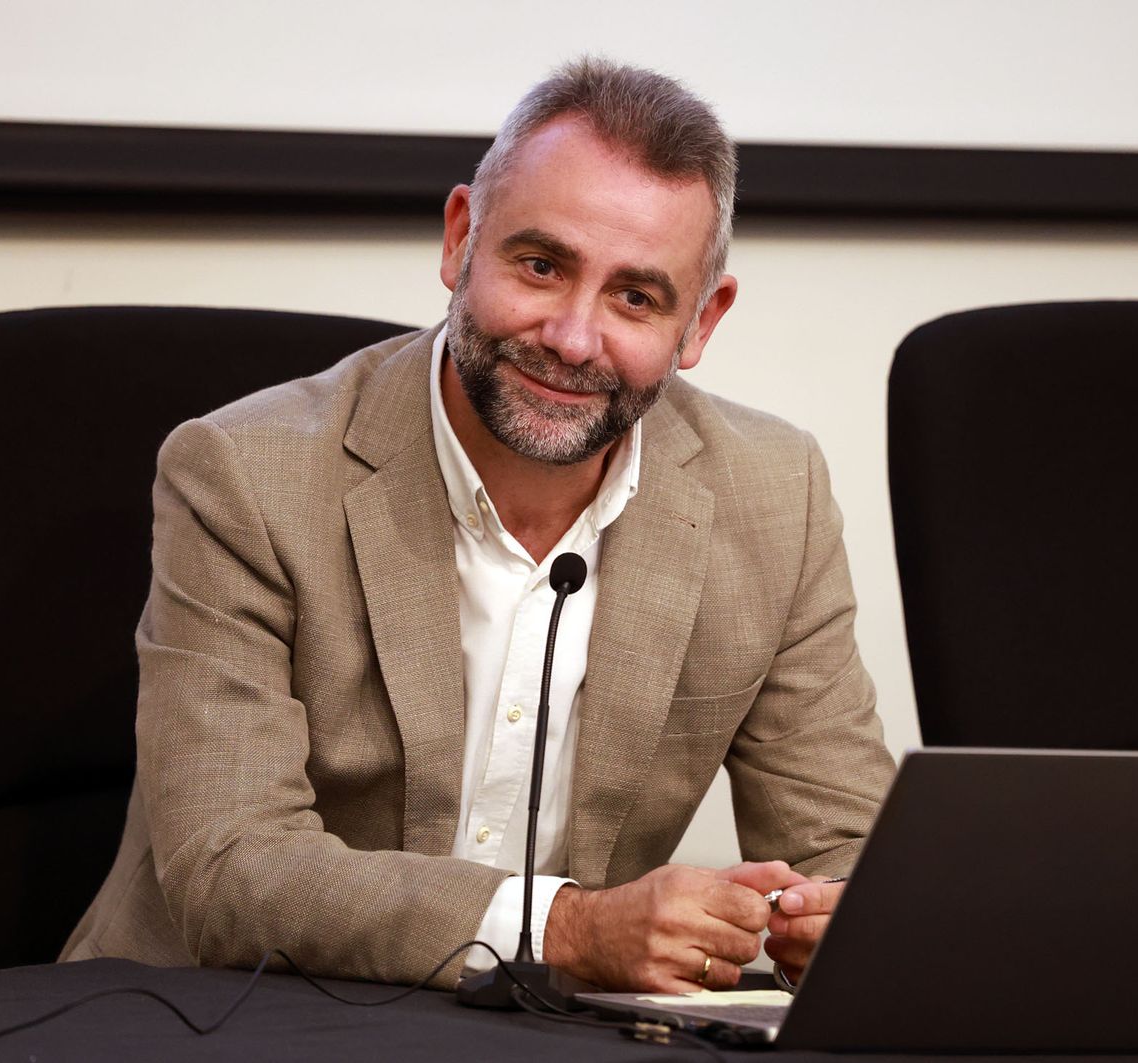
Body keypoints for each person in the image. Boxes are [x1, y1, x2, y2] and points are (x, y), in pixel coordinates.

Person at [62, 58, 895, 994]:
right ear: (461, 239)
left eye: (636, 297)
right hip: (220, 1014)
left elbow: (848, 843)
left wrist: (847, 918)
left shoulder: (774, 493)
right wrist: (568, 928)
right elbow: (232, 866)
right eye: (541, 266)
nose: (574, 338)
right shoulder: (242, 473)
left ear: (701, 321)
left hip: (545, 1034)